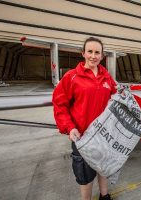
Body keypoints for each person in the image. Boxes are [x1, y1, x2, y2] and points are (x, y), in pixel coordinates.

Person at [52, 37, 116, 200]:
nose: (93, 56)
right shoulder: (71, 77)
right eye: (90, 51)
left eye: (97, 53)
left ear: (102, 56)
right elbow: (60, 104)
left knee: (103, 167)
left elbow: (116, 96)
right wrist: (69, 127)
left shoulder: (106, 77)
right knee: (85, 175)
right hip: (83, 136)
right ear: (83, 53)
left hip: (104, 135)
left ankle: (104, 196)